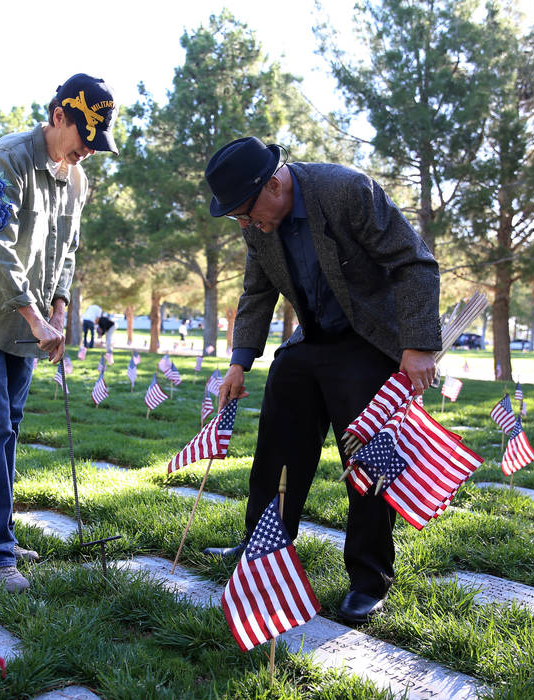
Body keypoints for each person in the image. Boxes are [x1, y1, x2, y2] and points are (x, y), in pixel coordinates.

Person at [202, 137, 440, 623]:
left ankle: (370, 578)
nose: (246, 225)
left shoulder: (347, 191)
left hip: (368, 340)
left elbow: (413, 261)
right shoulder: (259, 222)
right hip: (311, 339)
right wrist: (239, 362)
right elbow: (257, 290)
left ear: (273, 184)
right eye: (238, 219)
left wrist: (417, 346)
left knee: (369, 461)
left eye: (246, 213)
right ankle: (262, 549)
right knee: (276, 447)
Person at [0, 73, 118, 593]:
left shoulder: (78, 180)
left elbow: (67, 252)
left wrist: (57, 309)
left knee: (10, 423)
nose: (88, 151)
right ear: (60, 115)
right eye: (84, 138)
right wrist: (34, 316)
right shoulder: (9, 159)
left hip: (30, 317)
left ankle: (0, 536)